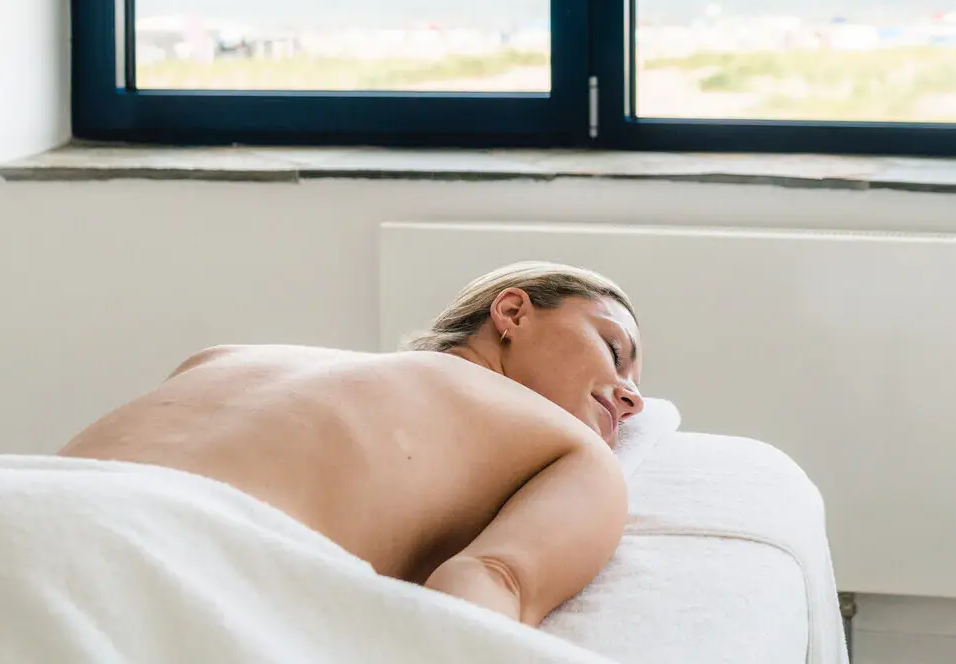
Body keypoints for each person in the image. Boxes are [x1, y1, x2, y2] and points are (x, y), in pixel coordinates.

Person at [56, 261, 644, 628]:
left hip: (2, 501)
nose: (632, 399)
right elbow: (483, 595)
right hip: (167, 572)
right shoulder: (571, 447)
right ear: (512, 311)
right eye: (614, 350)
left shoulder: (228, 357)